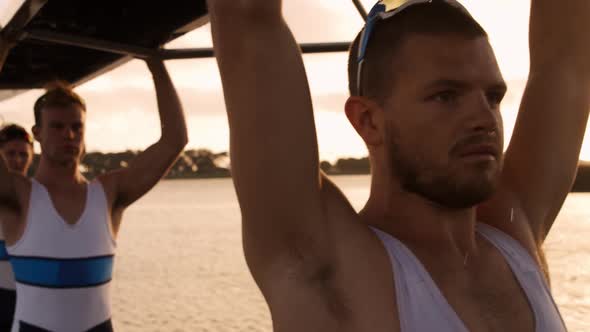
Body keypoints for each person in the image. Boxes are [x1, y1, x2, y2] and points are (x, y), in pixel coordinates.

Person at [208, 0, 590, 330]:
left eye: (492, 96)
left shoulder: (513, 233)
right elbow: (249, 22)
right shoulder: (332, 268)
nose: (484, 118)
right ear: (368, 121)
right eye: (446, 96)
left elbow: (567, 64)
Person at [0, 35, 188, 332]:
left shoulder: (110, 193)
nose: (69, 135)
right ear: (37, 132)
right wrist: (2, 50)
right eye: (58, 127)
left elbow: (174, 140)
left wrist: (156, 65)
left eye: (77, 127)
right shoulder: (18, 196)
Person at [0, 124, 33, 332]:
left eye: (23, 154)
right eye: (10, 154)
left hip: (31, 302)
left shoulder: (41, 198)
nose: (18, 160)